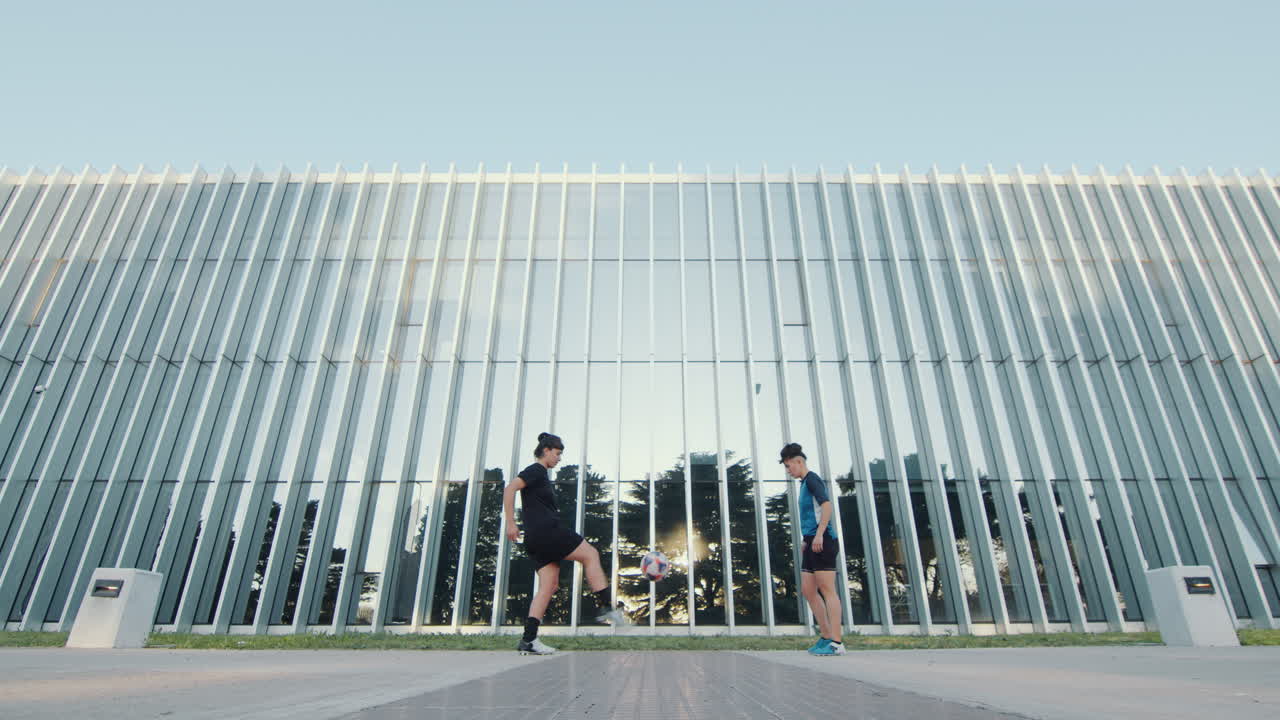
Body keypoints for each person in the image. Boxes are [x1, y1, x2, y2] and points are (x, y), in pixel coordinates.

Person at [504, 432, 628, 655]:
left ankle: (528, 640)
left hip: (536, 538)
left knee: (548, 587)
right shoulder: (536, 470)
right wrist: (511, 523)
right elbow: (510, 488)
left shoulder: (541, 476)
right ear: (547, 450)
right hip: (547, 532)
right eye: (558, 453)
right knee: (590, 554)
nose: (559, 458)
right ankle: (608, 607)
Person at [781, 442, 845, 656]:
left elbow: (826, 506)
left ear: (799, 462)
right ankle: (825, 636)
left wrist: (818, 534)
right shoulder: (803, 484)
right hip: (811, 541)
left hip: (823, 540)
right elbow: (811, 514)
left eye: (789, 466)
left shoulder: (813, 479)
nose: (788, 471)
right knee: (808, 591)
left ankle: (837, 643)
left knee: (827, 590)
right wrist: (806, 539)